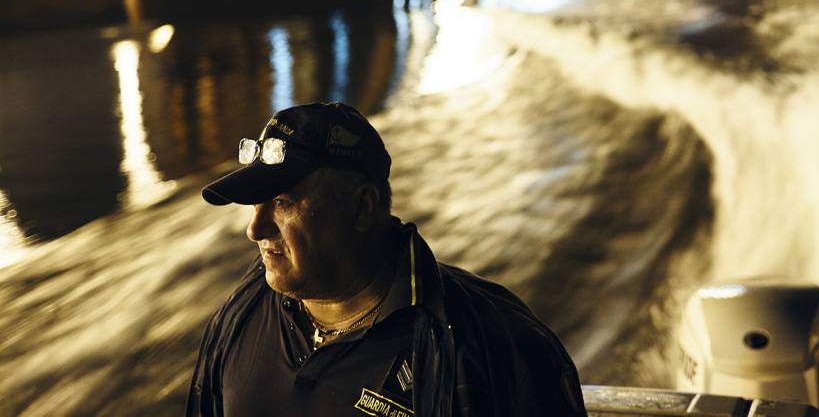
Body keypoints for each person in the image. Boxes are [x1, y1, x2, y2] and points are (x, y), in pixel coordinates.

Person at [186, 101, 587, 417]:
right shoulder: (242, 314)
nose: (254, 230)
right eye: (255, 205)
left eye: (282, 203)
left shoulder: (490, 345)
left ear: (362, 208)